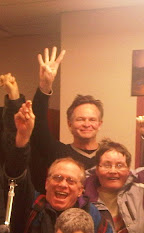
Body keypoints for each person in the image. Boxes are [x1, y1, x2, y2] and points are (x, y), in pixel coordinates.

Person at [4, 101, 114, 233]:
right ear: (46, 183)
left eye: (71, 181)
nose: (63, 185)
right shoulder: (30, 207)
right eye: (57, 178)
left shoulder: (96, 221)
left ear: (81, 189)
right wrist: (23, 139)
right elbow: (16, 175)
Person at [30, 47, 104, 188]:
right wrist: (45, 86)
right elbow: (38, 124)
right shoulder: (58, 152)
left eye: (92, 119)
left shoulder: (108, 156)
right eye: (80, 119)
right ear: (69, 124)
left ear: (99, 124)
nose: (86, 124)